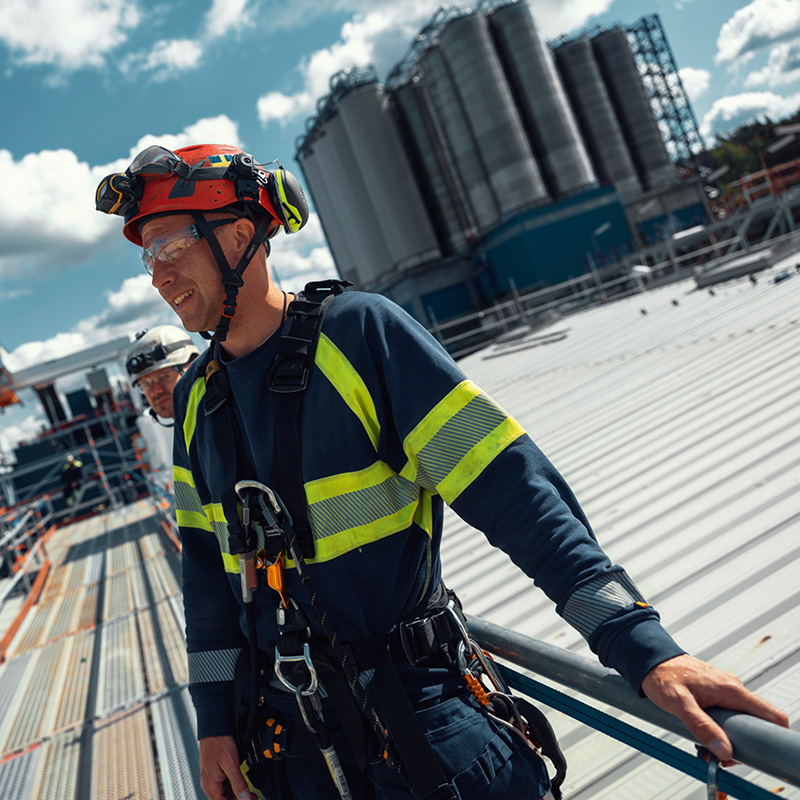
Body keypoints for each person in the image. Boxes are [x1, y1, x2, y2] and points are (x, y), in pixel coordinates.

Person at [96, 144, 788, 800]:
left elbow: (514, 493)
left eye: (170, 246)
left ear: (241, 235)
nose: (157, 275)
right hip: (292, 749)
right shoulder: (197, 401)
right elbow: (207, 581)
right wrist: (214, 722)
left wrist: (641, 648)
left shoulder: (358, 335)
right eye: (148, 256)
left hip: (422, 723)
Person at [125, 325, 199, 479]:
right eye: (145, 385)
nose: (154, 391)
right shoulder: (184, 441)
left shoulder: (232, 419)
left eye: (163, 377)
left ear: (192, 366)